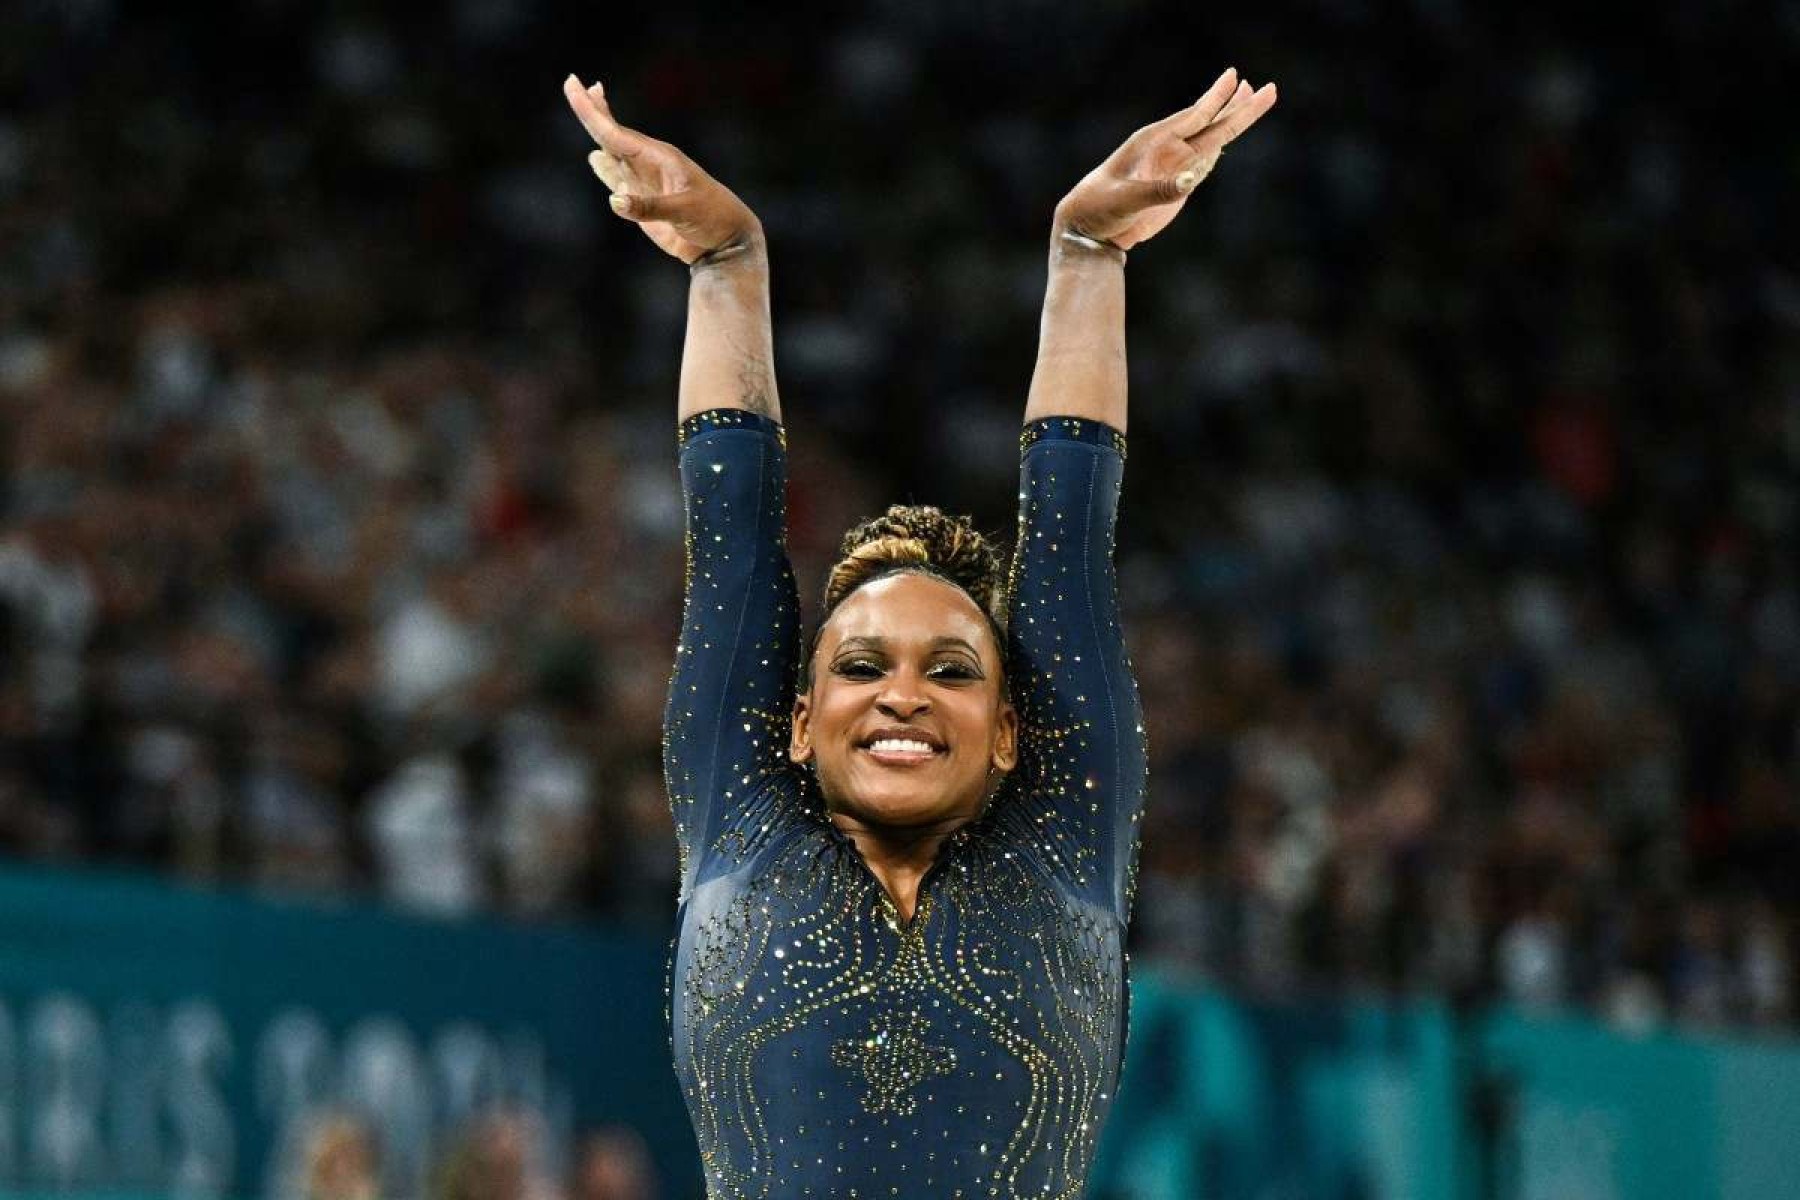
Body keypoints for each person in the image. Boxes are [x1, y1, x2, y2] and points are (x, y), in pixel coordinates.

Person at [563, 66, 1276, 1198]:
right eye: (860, 665)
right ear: (794, 723)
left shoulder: (1062, 854)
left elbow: (1071, 547)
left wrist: (1089, 258)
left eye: (951, 670)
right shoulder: (740, 823)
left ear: (1009, 733)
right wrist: (725, 264)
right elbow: (733, 538)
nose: (902, 693)